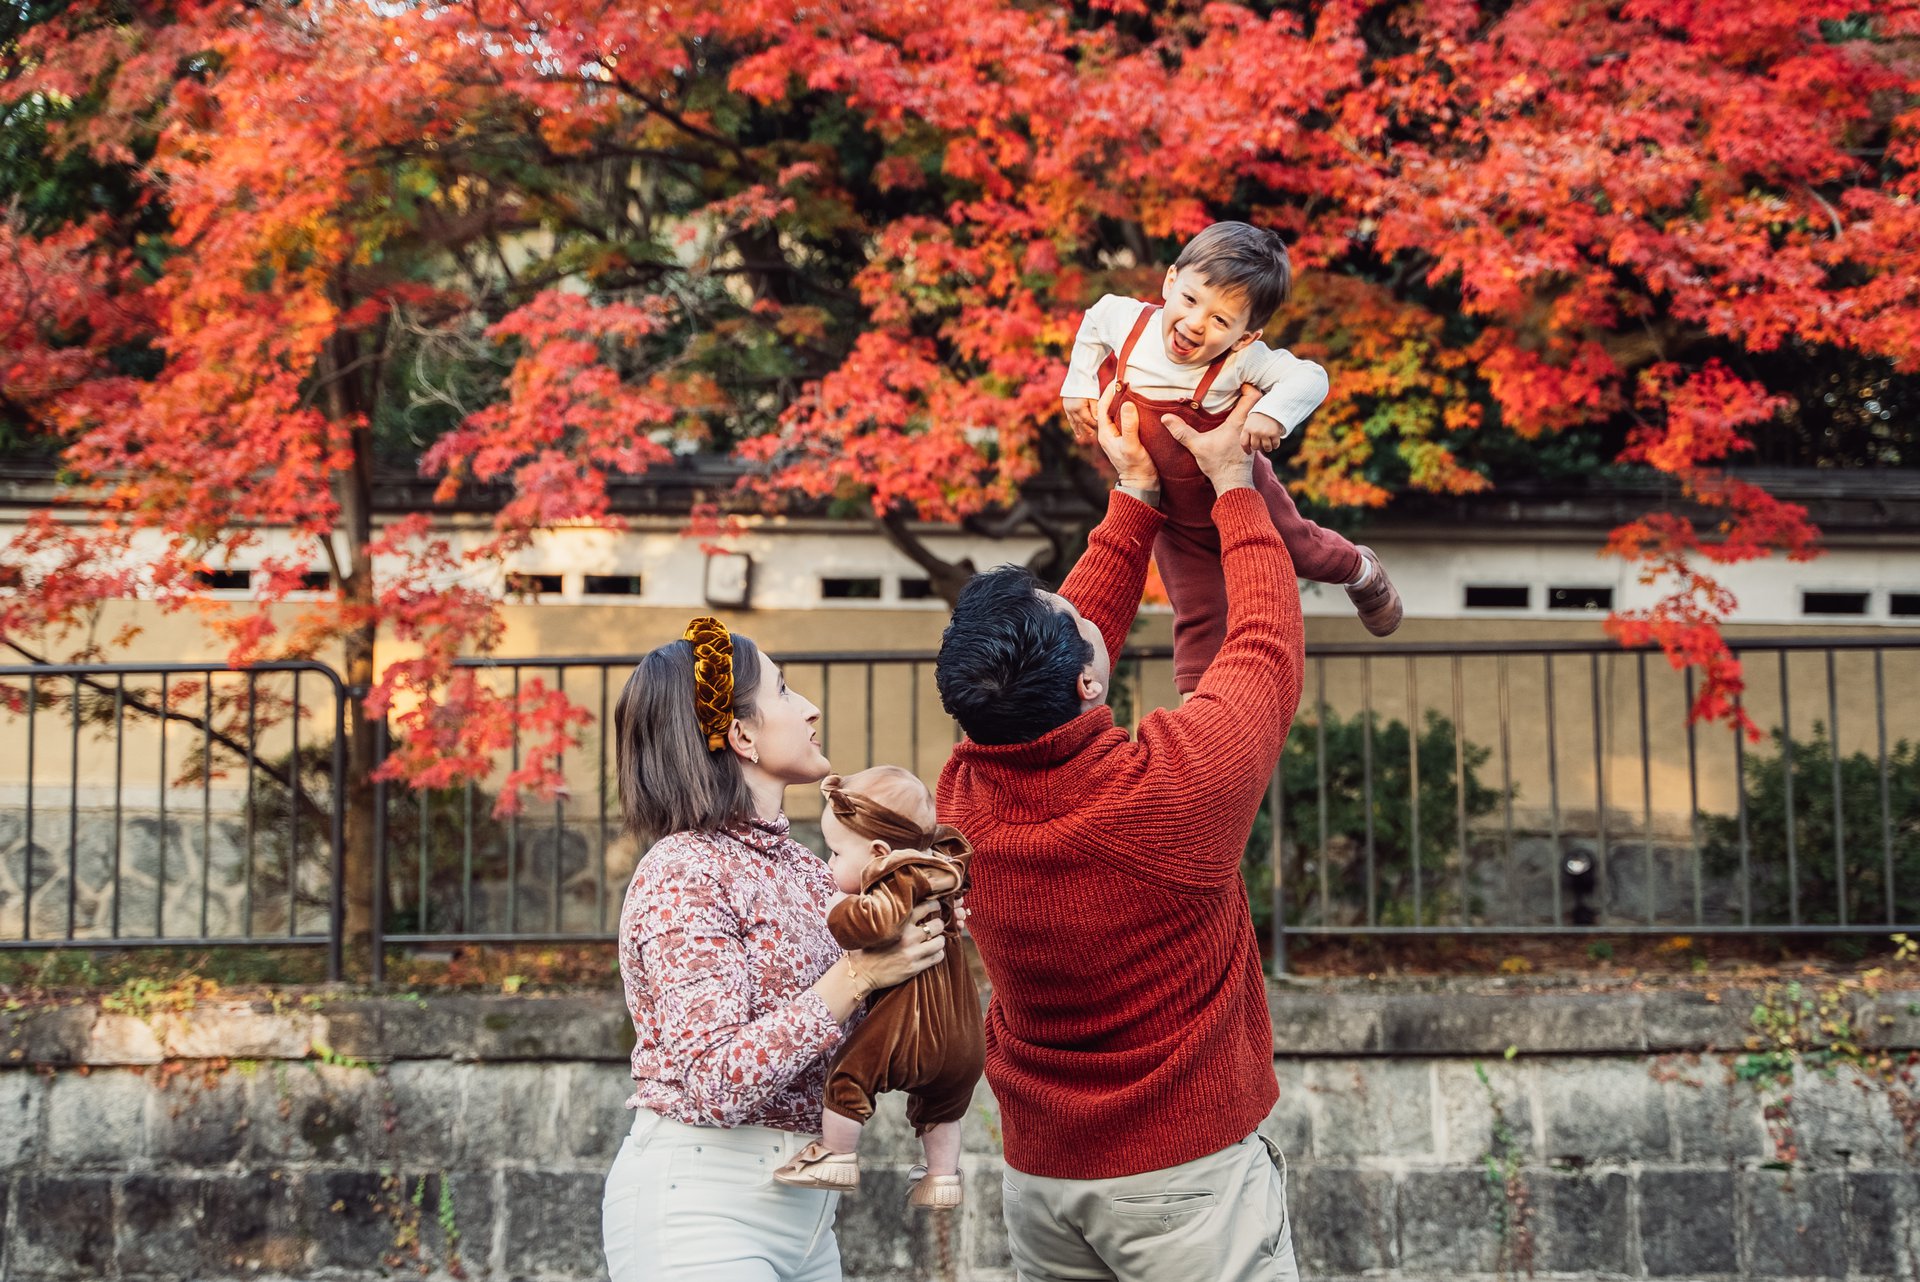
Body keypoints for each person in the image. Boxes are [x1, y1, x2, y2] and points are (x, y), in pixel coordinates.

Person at [934, 381, 1305, 1282]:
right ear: (1088, 689)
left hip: (1043, 1178)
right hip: (1185, 1189)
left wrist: (1134, 496)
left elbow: (1063, 654)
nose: (1078, 607)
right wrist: (1236, 490)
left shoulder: (965, 797)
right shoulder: (1170, 795)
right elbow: (1264, 648)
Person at [602, 617, 949, 1282]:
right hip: (700, 1210)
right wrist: (858, 974)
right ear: (742, 734)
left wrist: (919, 958)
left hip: (806, 1221)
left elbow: (858, 1038)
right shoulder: (683, 869)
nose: (810, 707)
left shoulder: (808, 870)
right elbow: (716, 1079)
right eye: (786, 691)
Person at [1060, 220, 1402, 696]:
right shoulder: (1129, 321)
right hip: (1172, 513)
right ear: (1170, 281)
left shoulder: (1240, 362)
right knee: (1196, 607)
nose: (1196, 323)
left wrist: (1273, 415)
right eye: (1190, 300)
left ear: (1245, 337)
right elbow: (1094, 319)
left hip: (1240, 488)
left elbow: (1311, 377)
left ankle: (1361, 571)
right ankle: (1197, 708)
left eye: (1221, 320)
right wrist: (1077, 384)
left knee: (1303, 550)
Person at [772, 766, 984, 1211]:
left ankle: (836, 1155)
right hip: (965, 1041)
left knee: (850, 1080)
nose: (829, 864)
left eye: (835, 854)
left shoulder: (899, 877)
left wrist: (837, 907)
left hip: (909, 1030)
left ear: (880, 852)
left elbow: (873, 924)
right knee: (939, 1109)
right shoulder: (943, 869)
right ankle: (942, 1177)